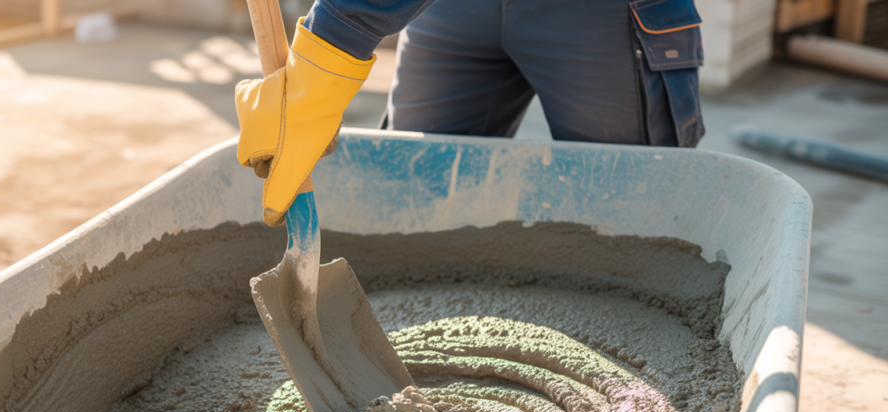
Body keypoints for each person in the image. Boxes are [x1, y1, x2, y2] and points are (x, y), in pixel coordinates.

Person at [236, 0, 705, 226]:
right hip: (451, 9)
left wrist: (334, 38)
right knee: (409, 209)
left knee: (631, 219)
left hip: (601, 11)